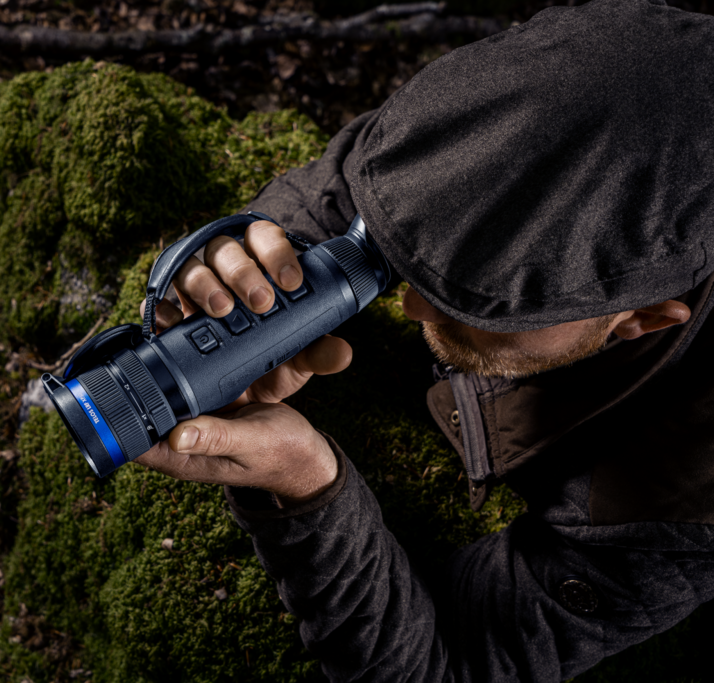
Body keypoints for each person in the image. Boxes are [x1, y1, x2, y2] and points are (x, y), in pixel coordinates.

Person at [135, 0, 714, 679]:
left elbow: (451, 662)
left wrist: (304, 485)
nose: (407, 304)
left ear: (642, 318)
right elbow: (349, 186)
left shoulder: (683, 493)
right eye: (415, 271)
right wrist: (243, 269)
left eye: (486, 303)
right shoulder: (559, 89)